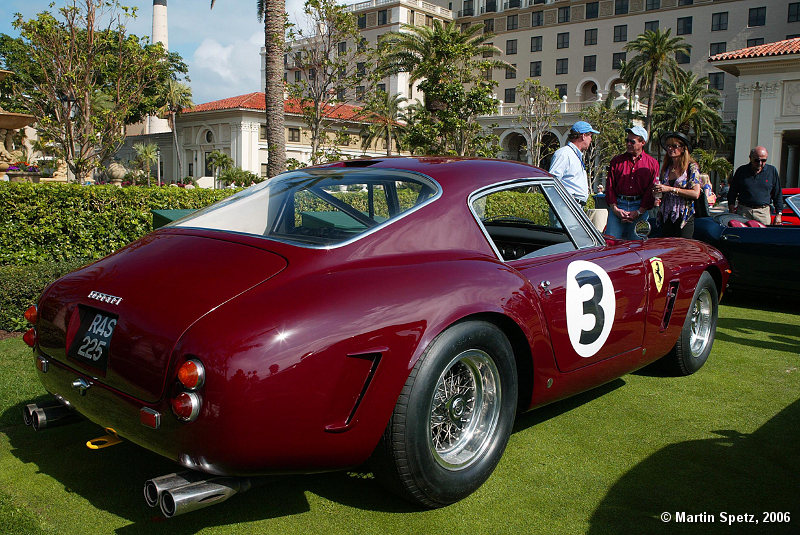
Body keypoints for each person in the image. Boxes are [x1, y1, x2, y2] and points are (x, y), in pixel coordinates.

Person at [604, 126, 659, 239]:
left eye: (632, 141)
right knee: (611, 243)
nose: (628, 143)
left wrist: (639, 211)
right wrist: (615, 209)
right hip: (619, 205)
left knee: (638, 246)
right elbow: (610, 187)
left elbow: (651, 190)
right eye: (627, 140)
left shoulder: (652, 164)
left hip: (640, 207)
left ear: (642, 142)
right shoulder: (616, 161)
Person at [653, 132, 701, 238]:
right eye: (668, 146)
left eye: (674, 146)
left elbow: (695, 193)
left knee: (683, 249)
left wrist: (670, 189)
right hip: (666, 215)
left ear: (683, 149)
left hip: (684, 216)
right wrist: (658, 191)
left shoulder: (691, 167)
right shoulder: (667, 168)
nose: (670, 149)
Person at [727, 146, 783, 226]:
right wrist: (731, 209)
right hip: (744, 211)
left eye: (763, 160)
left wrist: (779, 214)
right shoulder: (741, 171)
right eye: (757, 160)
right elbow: (732, 191)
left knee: (763, 237)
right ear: (750, 158)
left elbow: (777, 194)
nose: (760, 163)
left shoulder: (772, 171)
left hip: (763, 213)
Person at [549, 121, 599, 207]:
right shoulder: (564, 154)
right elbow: (552, 182)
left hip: (575, 206)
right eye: (590, 135)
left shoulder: (575, 155)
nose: (591, 139)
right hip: (566, 206)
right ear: (583, 136)